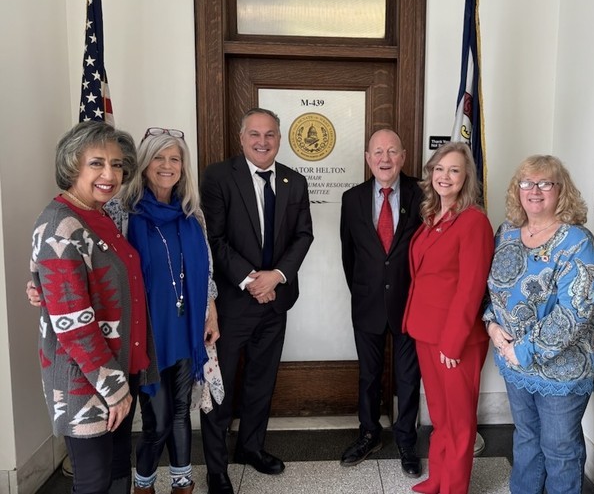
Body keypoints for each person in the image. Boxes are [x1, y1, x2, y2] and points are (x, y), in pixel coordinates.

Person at [29, 121, 158, 494]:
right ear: (73, 166)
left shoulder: (99, 215)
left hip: (118, 366)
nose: (110, 175)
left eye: (116, 164)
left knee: (116, 468)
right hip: (85, 379)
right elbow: (73, 326)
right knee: (94, 481)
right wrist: (114, 388)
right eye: (97, 163)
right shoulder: (60, 223)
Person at [199, 107, 314, 494]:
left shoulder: (295, 181)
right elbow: (214, 238)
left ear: (279, 139)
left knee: (261, 381)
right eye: (255, 134)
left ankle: (250, 448)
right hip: (231, 305)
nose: (262, 142)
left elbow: (303, 236)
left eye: (270, 135)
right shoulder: (218, 176)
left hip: (276, 301)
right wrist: (252, 280)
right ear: (242, 137)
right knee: (221, 388)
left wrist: (276, 276)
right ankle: (216, 468)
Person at [106, 128, 222, 494]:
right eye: (159, 157)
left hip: (186, 326)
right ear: (144, 164)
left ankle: (182, 483)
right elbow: (94, 261)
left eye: (175, 158)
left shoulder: (192, 213)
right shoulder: (122, 212)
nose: (167, 165)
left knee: (181, 410)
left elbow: (206, 268)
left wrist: (211, 310)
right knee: (156, 419)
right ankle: (143, 485)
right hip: (147, 332)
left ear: (183, 167)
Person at [483, 155, 594, 494]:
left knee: (559, 449)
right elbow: (491, 289)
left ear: (561, 190)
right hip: (514, 363)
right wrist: (492, 325)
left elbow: (574, 313)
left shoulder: (578, 243)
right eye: (527, 183)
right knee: (526, 438)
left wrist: (523, 349)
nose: (534, 190)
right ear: (517, 189)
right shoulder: (506, 232)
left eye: (545, 183)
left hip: (561, 370)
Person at [403, 142, 494, 494]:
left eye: (454, 170)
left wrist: (453, 342)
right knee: (440, 415)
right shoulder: (433, 216)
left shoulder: (474, 221)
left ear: (466, 176)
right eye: (439, 169)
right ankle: (438, 478)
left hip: (456, 339)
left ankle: (454, 487)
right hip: (426, 331)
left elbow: (471, 287)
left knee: (458, 420)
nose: (445, 176)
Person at [339, 129, 422, 476]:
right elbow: (349, 254)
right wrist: (363, 289)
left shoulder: (423, 194)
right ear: (367, 158)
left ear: (403, 157)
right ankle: (369, 433)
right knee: (369, 376)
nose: (384, 159)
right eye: (378, 152)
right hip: (367, 301)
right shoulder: (352, 198)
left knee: (408, 377)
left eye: (391, 151)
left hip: (411, 303)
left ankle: (406, 439)